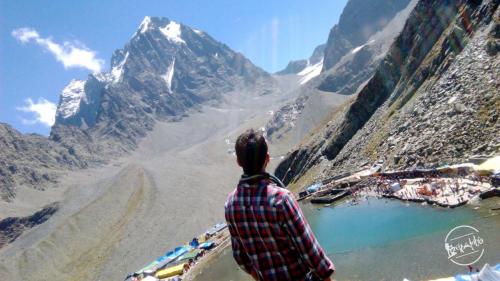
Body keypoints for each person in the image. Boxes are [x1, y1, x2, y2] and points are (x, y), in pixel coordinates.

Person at [225, 129, 335, 281]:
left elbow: (240, 257)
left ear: (238, 162)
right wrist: (327, 277)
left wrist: (259, 276)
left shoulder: (230, 204)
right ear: (267, 159)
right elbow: (309, 250)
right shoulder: (282, 199)